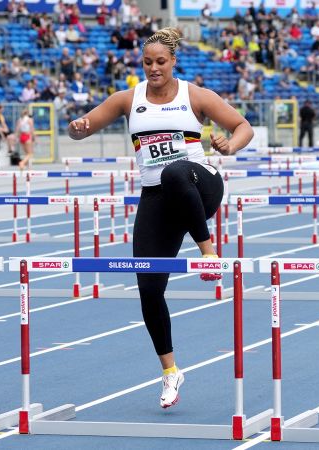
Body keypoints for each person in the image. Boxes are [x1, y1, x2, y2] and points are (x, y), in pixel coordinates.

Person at [67, 27, 253, 409]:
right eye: (148, 62)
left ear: (173, 62)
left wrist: (229, 145)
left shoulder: (195, 95)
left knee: (175, 170)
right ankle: (171, 372)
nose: (153, 68)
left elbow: (243, 127)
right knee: (149, 288)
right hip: (158, 198)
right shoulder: (127, 99)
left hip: (201, 187)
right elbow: (84, 129)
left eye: (160, 62)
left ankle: (209, 254)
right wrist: (78, 129)